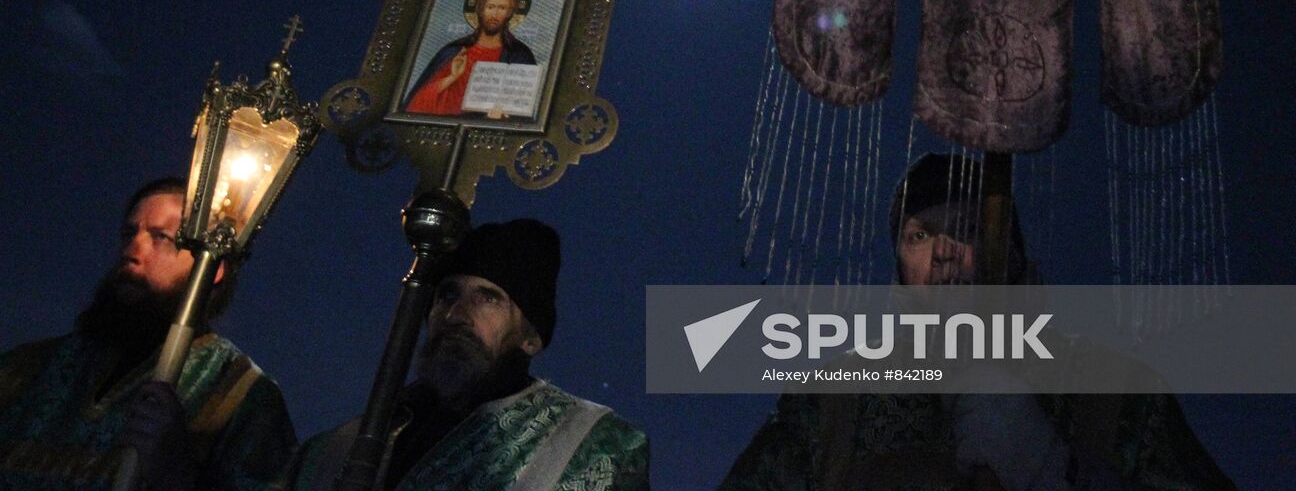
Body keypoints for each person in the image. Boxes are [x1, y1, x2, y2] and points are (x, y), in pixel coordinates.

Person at [719, 153, 1235, 491]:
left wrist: (1060, 473)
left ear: (1011, 254)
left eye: (967, 228)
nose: (943, 252)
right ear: (899, 269)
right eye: (920, 236)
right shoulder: (835, 402)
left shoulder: (1116, 393)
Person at [284, 218, 648, 490]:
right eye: (447, 295)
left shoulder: (592, 445)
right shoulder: (347, 443)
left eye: (488, 298)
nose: (457, 314)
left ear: (531, 338)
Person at [0, 177, 295, 490]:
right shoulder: (25, 369)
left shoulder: (238, 393)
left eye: (162, 238)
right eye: (130, 233)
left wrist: (176, 474)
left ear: (213, 268)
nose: (133, 249)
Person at [404, 0, 537, 116]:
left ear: (509, 14)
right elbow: (416, 103)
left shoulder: (519, 55)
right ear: (481, 10)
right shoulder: (453, 51)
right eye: (490, 7)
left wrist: (504, 116)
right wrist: (452, 77)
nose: (494, 14)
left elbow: (524, 107)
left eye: (502, 8)